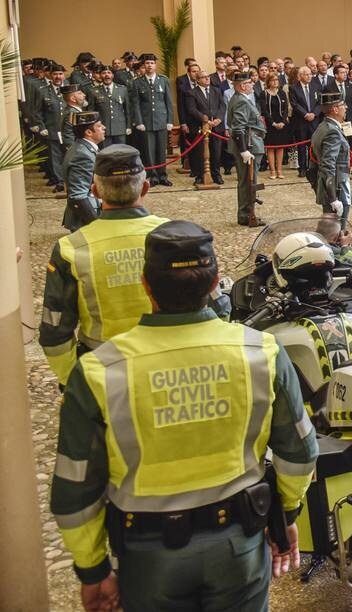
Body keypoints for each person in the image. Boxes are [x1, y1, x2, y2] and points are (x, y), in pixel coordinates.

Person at [50, 220, 317, 612]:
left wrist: (93, 570)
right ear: (216, 284)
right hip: (238, 547)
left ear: (145, 285)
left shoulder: (99, 370)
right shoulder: (262, 353)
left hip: (147, 554)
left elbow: (74, 489)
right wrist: (286, 514)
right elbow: (299, 453)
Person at [40, 145, 169, 385]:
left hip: (102, 369)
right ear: (145, 187)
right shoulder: (176, 236)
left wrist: (73, 381)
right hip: (167, 365)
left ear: (95, 191)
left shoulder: (71, 248)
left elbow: (55, 328)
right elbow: (216, 310)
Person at [226, 71, 266, 227]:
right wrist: (243, 150)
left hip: (251, 142)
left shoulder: (240, 99)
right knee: (248, 181)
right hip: (249, 144)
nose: (252, 85)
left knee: (247, 181)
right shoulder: (241, 101)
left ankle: (247, 212)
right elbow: (238, 128)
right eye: (250, 82)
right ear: (242, 86)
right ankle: (246, 214)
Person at [311, 90, 352, 229]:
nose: (345, 107)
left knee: (333, 228)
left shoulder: (324, 126)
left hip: (334, 184)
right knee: (337, 230)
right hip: (337, 186)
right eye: (343, 105)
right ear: (335, 109)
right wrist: (334, 198)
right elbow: (328, 165)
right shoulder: (332, 131)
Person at [130, 53, 173, 186]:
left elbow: (168, 102)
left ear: (155, 65)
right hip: (146, 121)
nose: (149, 65)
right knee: (149, 150)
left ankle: (163, 175)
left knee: (161, 150)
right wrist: (139, 121)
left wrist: (170, 120)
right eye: (147, 63)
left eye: (152, 63)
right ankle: (153, 176)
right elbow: (135, 104)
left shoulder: (163, 80)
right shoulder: (137, 82)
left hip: (161, 120)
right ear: (144, 65)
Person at [62, 112, 105, 232]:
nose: (104, 128)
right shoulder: (82, 155)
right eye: (99, 126)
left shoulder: (83, 148)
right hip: (85, 219)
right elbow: (78, 196)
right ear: (89, 132)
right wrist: (96, 225)